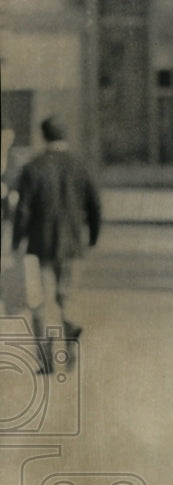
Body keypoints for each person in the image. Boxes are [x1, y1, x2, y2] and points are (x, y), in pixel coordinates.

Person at [11, 114, 101, 374]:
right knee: (66, 296)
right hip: (72, 244)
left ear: (43, 136)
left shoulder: (33, 168)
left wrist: (17, 242)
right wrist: (92, 237)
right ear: (65, 135)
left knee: (39, 300)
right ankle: (70, 334)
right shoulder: (79, 165)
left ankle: (46, 359)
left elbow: (23, 210)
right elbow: (94, 205)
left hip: (39, 245)